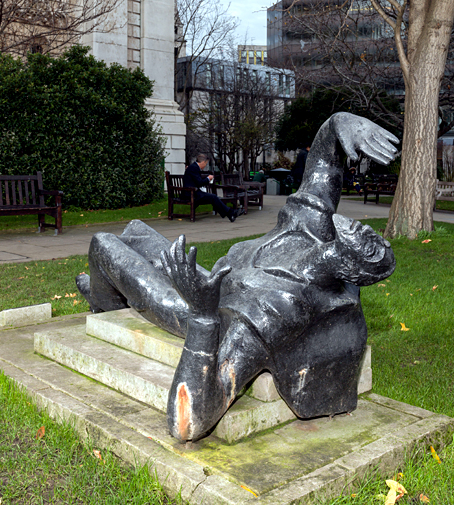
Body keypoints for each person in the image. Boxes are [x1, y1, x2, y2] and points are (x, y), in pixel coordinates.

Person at [75, 113, 399, 442]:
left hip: (195, 307)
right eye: (377, 239)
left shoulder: (278, 309)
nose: (374, 237)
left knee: (103, 245)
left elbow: (189, 423)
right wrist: (338, 123)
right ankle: (107, 292)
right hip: (215, 280)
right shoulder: (312, 229)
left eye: (373, 249)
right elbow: (322, 168)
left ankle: (105, 303)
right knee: (135, 231)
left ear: (350, 264)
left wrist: (202, 316)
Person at [182, 154, 242, 222]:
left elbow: (196, 181)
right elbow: (199, 183)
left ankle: (230, 214)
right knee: (213, 197)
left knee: (213, 198)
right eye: (206, 163)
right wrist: (208, 179)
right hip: (190, 193)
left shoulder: (193, 167)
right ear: (203, 162)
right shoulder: (194, 168)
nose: (205, 166)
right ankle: (231, 213)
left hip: (193, 192)